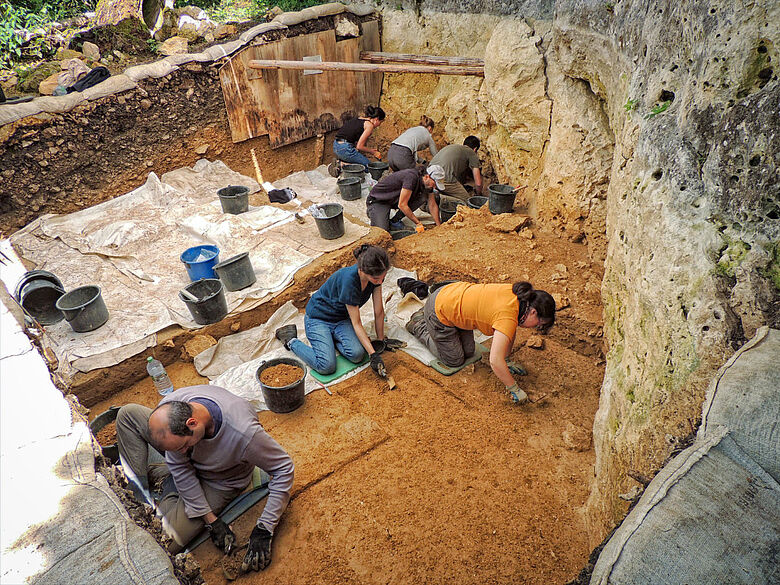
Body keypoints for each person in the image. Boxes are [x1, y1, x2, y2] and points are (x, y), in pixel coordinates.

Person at [114, 385, 294, 572]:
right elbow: (179, 464)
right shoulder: (173, 405)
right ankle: (141, 498)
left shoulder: (244, 434)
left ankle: (167, 488)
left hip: (219, 481)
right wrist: (211, 521)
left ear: (192, 423)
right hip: (188, 464)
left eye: (183, 446)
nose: (181, 452)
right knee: (128, 414)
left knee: (159, 544)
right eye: (176, 449)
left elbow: (284, 469)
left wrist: (264, 529)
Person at [405, 281, 555, 404]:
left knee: (469, 352)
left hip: (453, 297)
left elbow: (510, 332)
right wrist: (513, 388)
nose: (536, 327)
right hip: (439, 310)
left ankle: (444, 326)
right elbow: (495, 361)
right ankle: (420, 323)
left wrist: (507, 359)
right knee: (454, 359)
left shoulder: (519, 299)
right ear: (534, 312)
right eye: (538, 323)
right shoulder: (508, 316)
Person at [275, 245, 390, 378]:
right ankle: (291, 340)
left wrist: (381, 341)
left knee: (357, 354)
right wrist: (373, 354)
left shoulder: (376, 276)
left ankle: (331, 340)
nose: (380, 281)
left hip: (341, 318)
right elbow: (357, 323)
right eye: (376, 279)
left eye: (383, 277)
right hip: (318, 319)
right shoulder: (350, 282)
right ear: (363, 270)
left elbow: (378, 310)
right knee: (326, 366)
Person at [366, 164, 444, 233]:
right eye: (434, 184)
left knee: (423, 197)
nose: (434, 187)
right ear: (427, 177)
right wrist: (418, 223)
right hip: (379, 200)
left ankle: (394, 221)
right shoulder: (411, 177)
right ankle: (373, 212)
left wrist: (439, 226)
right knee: (383, 231)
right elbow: (402, 205)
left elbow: (432, 205)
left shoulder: (427, 184)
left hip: (394, 199)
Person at [329, 106, 386, 174]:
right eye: (381, 122)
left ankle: (341, 163)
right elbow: (359, 146)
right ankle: (341, 165)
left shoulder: (360, 118)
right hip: (345, 149)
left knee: (360, 161)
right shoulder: (369, 126)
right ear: (376, 119)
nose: (379, 125)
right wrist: (372, 152)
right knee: (370, 168)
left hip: (336, 145)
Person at [428, 135, 483, 201]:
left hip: (429, 173)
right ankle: (441, 199)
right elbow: (478, 183)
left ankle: (436, 195)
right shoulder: (471, 152)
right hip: (444, 178)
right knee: (467, 201)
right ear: (475, 149)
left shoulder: (454, 147)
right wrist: (479, 194)